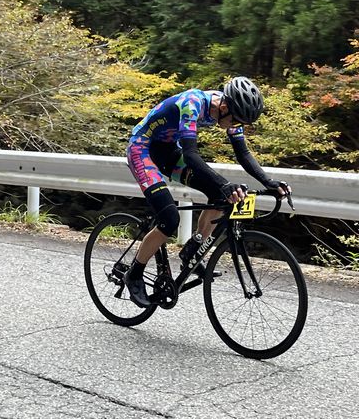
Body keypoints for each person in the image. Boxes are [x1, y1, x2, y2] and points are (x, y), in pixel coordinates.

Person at [124, 76, 291, 307]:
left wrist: (268, 181)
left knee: (220, 197)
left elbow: (242, 154)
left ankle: (192, 248)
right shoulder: (191, 103)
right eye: (235, 120)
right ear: (224, 107)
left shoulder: (231, 110)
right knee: (170, 219)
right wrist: (224, 183)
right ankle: (134, 273)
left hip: (169, 150)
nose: (235, 125)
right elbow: (191, 156)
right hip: (142, 149)